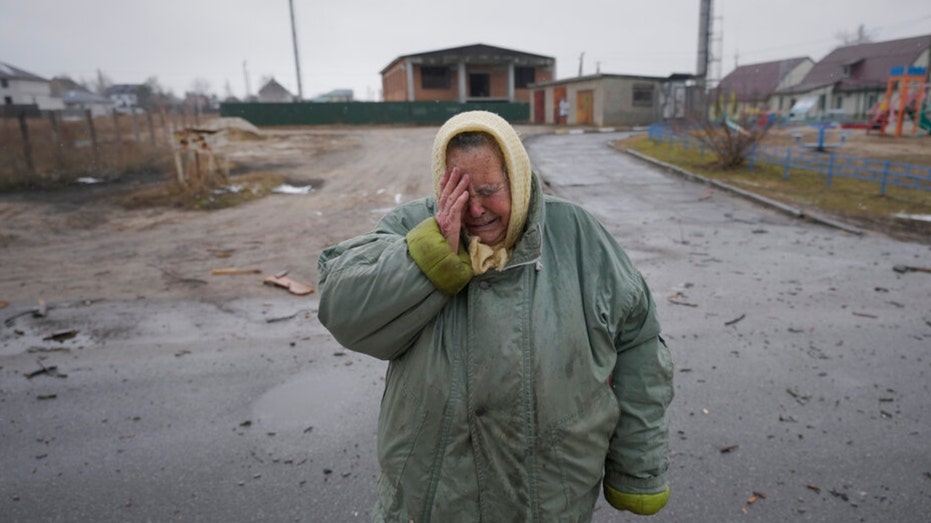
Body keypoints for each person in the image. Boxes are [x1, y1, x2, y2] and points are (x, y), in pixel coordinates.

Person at [318, 110, 673, 522]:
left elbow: (640, 347)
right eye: (458, 191)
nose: (474, 210)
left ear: (518, 179)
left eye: (489, 190)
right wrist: (428, 256)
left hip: (551, 500)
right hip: (431, 502)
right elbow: (342, 308)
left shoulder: (578, 235)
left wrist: (637, 468)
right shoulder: (412, 227)